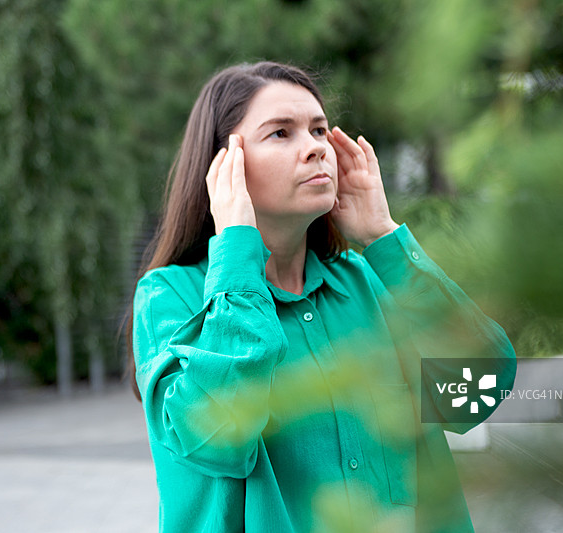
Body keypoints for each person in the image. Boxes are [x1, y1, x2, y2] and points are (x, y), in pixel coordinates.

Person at [128, 61, 516, 533]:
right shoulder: (169, 296)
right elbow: (217, 438)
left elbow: (478, 394)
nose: (314, 148)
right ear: (223, 167)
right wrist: (236, 249)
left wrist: (384, 239)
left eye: (318, 130)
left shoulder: (371, 281)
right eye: (281, 133)